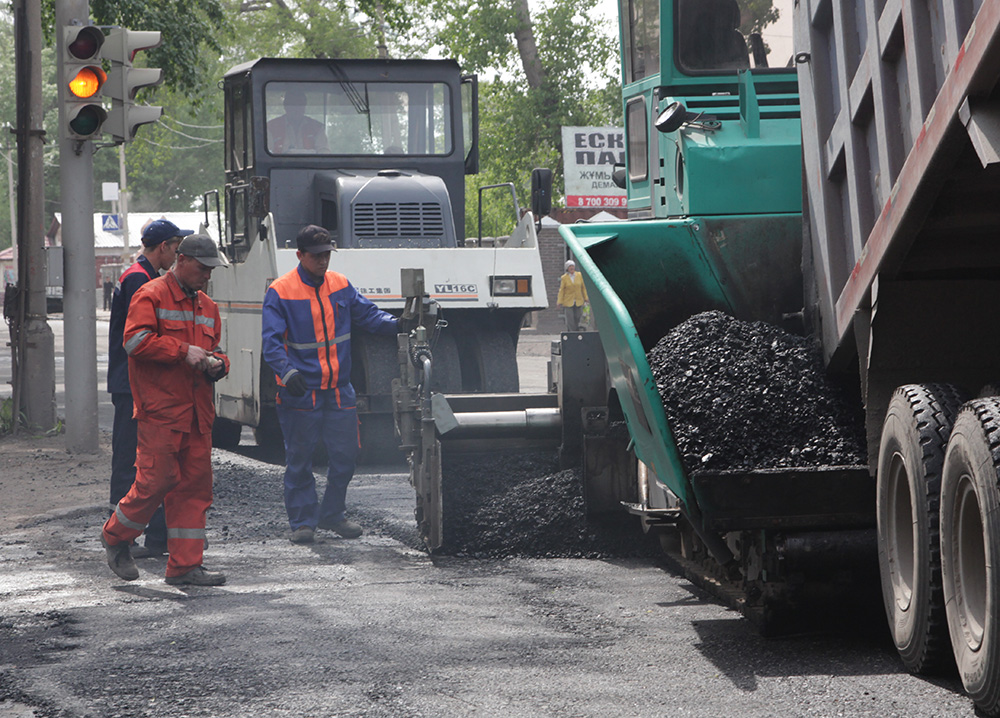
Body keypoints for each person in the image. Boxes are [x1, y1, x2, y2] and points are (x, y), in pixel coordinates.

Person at [100, 234, 230, 586]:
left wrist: (220, 364)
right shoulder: (151, 294)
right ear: (182, 260)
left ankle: (185, 566)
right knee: (155, 482)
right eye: (203, 268)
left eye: (211, 270)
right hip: (162, 413)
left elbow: (215, 350)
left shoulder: (208, 307)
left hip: (197, 416)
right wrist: (181, 351)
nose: (208, 276)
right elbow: (134, 341)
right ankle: (114, 537)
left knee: (194, 489)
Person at [261, 224, 399, 544]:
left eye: (327, 255)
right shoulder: (281, 291)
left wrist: (399, 323)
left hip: (338, 389)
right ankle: (303, 522)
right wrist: (288, 372)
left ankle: (332, 514)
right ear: (300, 255)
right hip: (302, 392)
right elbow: (271, 343)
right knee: (300, 458)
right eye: (317, 256)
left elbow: (369, 316)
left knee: (346, 455)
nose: (323, 261)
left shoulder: (340, 285)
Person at [107, 219, 194, 559]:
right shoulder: (140, 282)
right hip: (132, 386)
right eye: (176, 248)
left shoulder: (138, 276)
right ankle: (122, 539)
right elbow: (142, 340)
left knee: (142, 462)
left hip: (131, 384)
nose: (176, 255)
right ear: (164, 247)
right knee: (131, 463)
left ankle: (145, 537)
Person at [267, 88, 329, 154]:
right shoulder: (271, 127)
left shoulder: (317, 128)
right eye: (292, 105)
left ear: (304, 107)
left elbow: (324, 154)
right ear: (285, 106)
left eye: (300, 105)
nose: (296, 109)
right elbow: (266, 155)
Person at [557, 259, 589, 331]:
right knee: (570, 318)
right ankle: (572, 332)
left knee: (578, 316)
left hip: (578, 300)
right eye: (570, 267)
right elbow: (562, 290)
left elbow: (583, 287)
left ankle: (577, 331)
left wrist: (586, 298)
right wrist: (559, 301)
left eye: (572, 266)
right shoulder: (564, 278)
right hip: (568, 301)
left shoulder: (579, 275)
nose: (572, 268)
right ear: (567, 268)